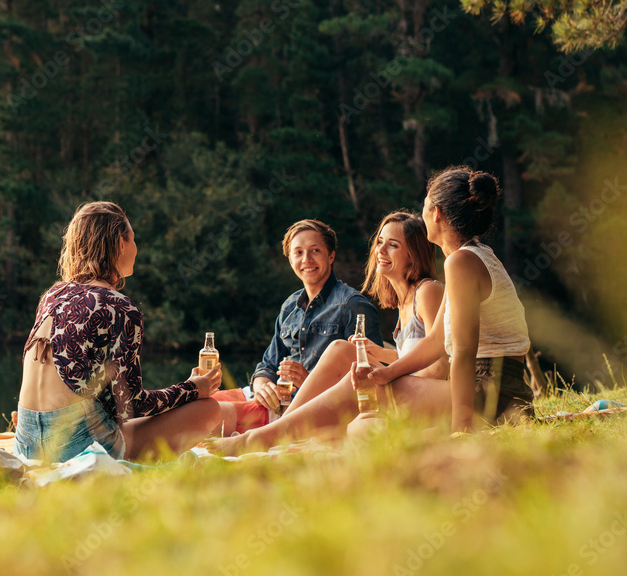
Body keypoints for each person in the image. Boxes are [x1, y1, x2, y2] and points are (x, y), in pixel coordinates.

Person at [210, 167, 532, 453]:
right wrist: (389, 371)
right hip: (497, 387)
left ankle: (254, 441)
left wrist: (462, 430)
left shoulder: (460, 261)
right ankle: (270, 436)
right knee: (368, 386)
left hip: (491, 391)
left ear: (435, 213)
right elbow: (435, 342)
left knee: (367, 387)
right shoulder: (468, 257)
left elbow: (461, 353)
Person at [16, 202, 222, 463]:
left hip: (26, 445)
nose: (136, 248)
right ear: (120, 244)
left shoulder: (53, 294)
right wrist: (192, 389)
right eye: (133, 239)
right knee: (208, 410)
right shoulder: (120, 306)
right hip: (78, 450)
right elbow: (132, 406)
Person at [282, 210, 447, 415]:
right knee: (355, 427)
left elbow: (441, 365)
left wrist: (388, 377)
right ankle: (285, 428)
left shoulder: (428, 291)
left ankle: (281, 427)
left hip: (431, 397)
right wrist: (379, 353)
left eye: (392, 245)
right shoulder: (404, 301)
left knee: (341, 350)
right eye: (379, 242)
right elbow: (416, 357)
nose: (380, 250)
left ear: (413, 255)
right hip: (413, 391)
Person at [249, 219, 382, 413]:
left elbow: (372, 381)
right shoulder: (289, 307)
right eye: (298, 253)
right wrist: (261, 387)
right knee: (216, 406)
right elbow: (267, 365)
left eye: (315, 250)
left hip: (320, 413)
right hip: (280, 406)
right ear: (290, 260)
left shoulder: (353, 306)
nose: (307, 260)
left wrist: (308, 381)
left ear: (331, 256)